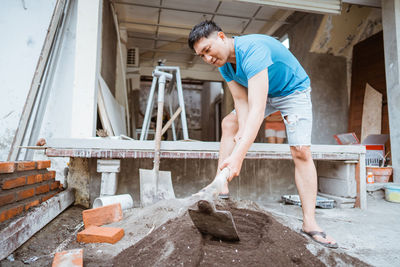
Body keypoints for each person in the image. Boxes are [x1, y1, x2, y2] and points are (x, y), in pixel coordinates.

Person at [188, 20, 338, 248]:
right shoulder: (224, 65)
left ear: (220, 37)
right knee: (230, 124)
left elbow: (257, 110)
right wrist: (241, 133)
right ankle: (221, 185)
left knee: (301, 151)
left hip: (292, 90)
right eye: (201, 56)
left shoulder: (252, 50)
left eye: (207, 50)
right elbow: (241, 101)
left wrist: (238, 156)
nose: (207, 59)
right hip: (264, 92)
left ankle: (310, 223)